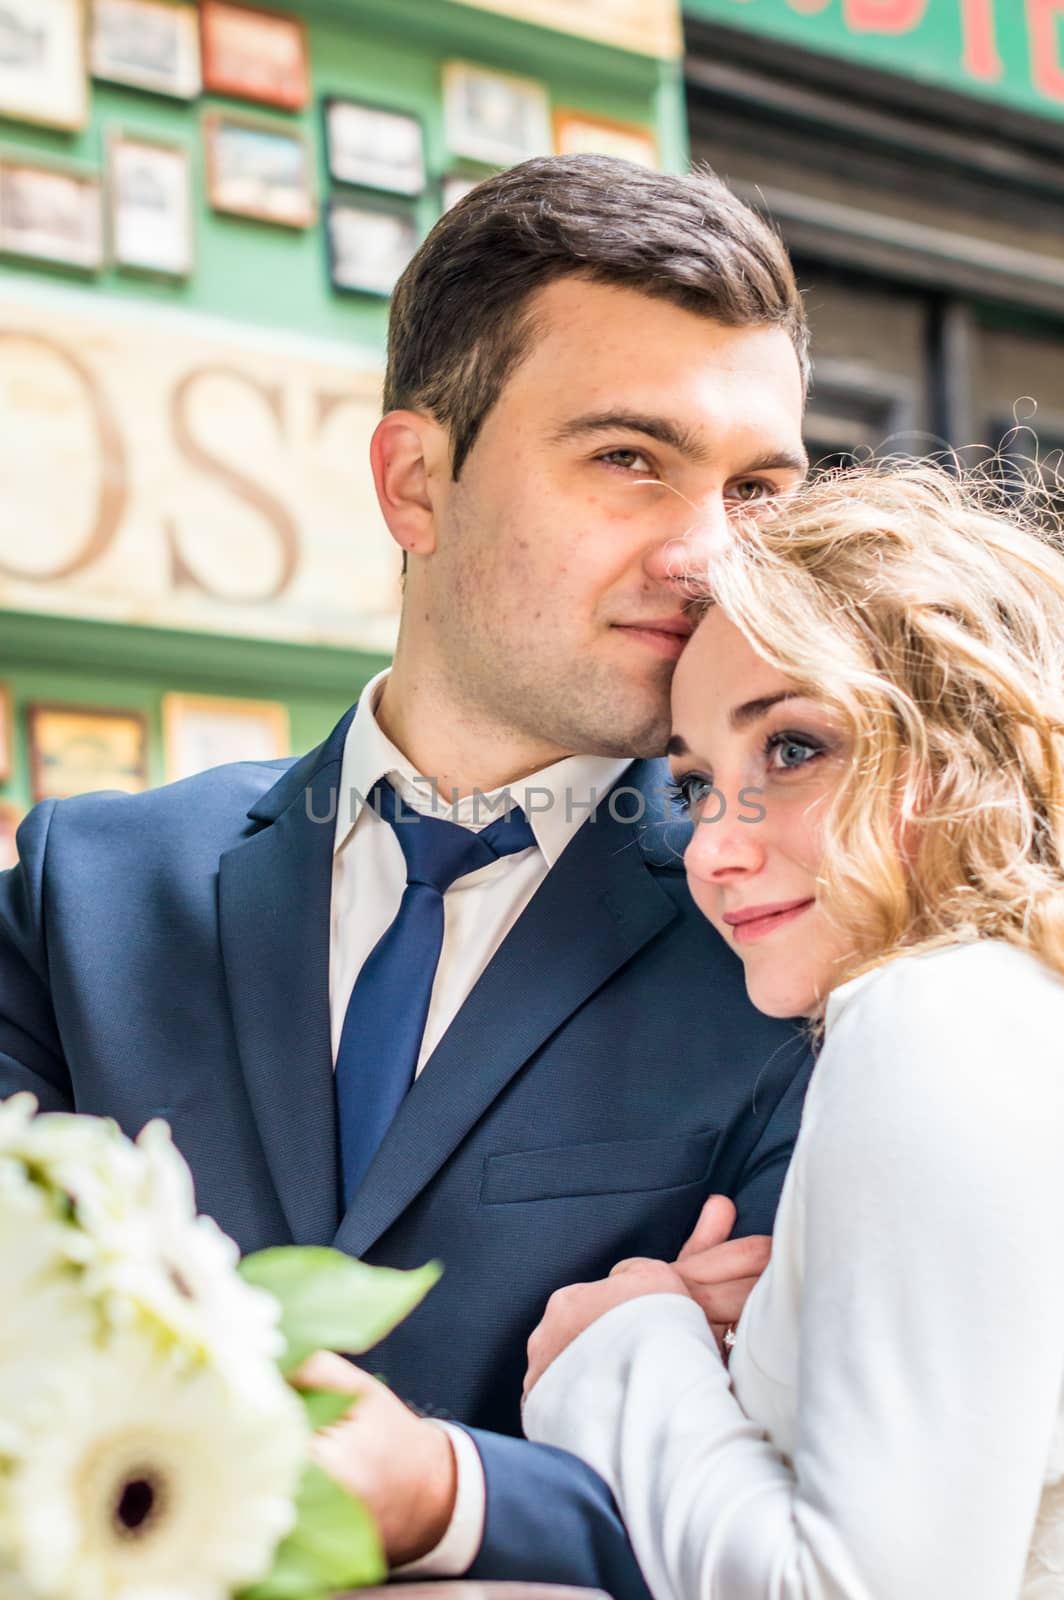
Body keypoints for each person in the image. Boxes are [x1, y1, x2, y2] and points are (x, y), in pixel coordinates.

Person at [0, 155, 815, 1595]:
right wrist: (648, 1373)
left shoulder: (797, 947)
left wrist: (457, 1492)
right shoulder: (82, 893)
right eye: (630, 457)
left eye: (757, 488)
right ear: (416, 482)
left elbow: (810, 1514)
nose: (707, 556)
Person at [523, 461, 1064, 1598]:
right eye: (695, 783)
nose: (714, 848)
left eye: (791, 748)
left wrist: (619, 1350)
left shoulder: (934, 1016)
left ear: (972, 741)